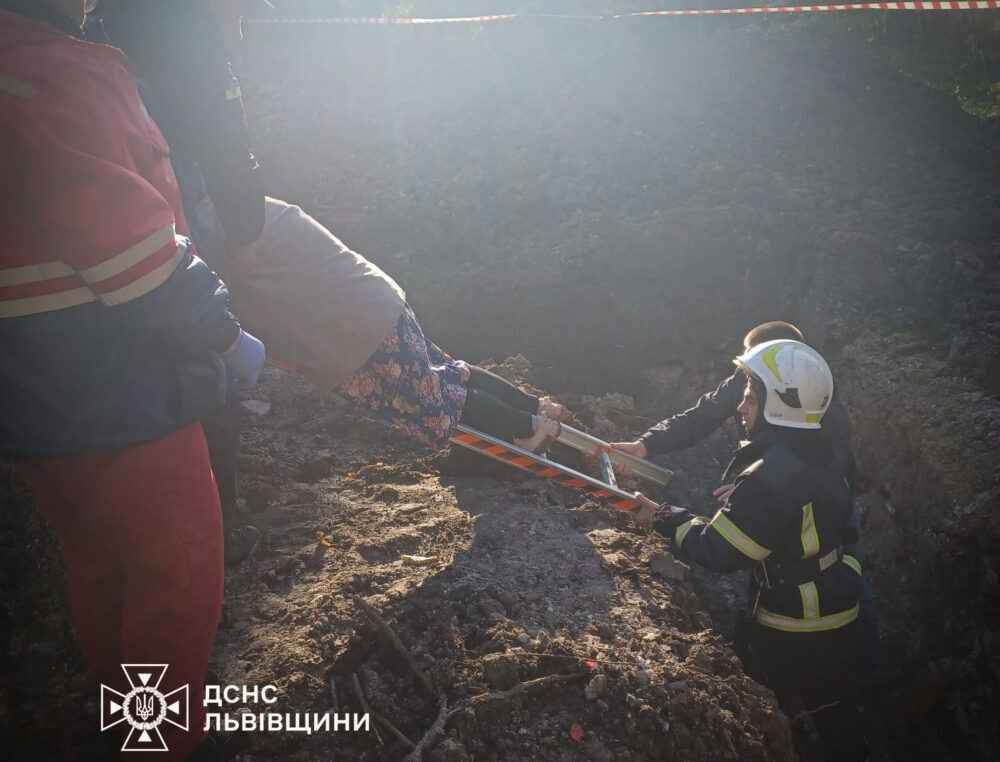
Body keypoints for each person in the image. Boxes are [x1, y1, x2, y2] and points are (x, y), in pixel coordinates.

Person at [89, 0, 566, 536]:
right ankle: (533, 413)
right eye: (241, 9)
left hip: (351, 319)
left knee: (428, 397)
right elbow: (234, 173)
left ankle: (524, 433)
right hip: (365, 299)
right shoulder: (231, 176)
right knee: (434, 373)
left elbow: (244, 255)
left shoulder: (218, 211)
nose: (246, 20)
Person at [0, 1, 265, 758]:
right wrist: (226, 334)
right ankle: (159, 742)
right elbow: (137, 257)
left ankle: (126, 710)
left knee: (99, 557)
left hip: (41, 404)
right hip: (118, 391)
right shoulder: (54, 72)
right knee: (179, 573)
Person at [610, 320, 885, 695]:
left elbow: (721, 550)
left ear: (777, 390)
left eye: (750, 397)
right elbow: (708, 415)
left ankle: (854, 688)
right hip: (832, 569)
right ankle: (860, 693)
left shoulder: (777, 468)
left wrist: (664, 516)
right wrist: (647, 445)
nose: (740, 403)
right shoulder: (808, 410)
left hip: (797, 616)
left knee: (799, 691)